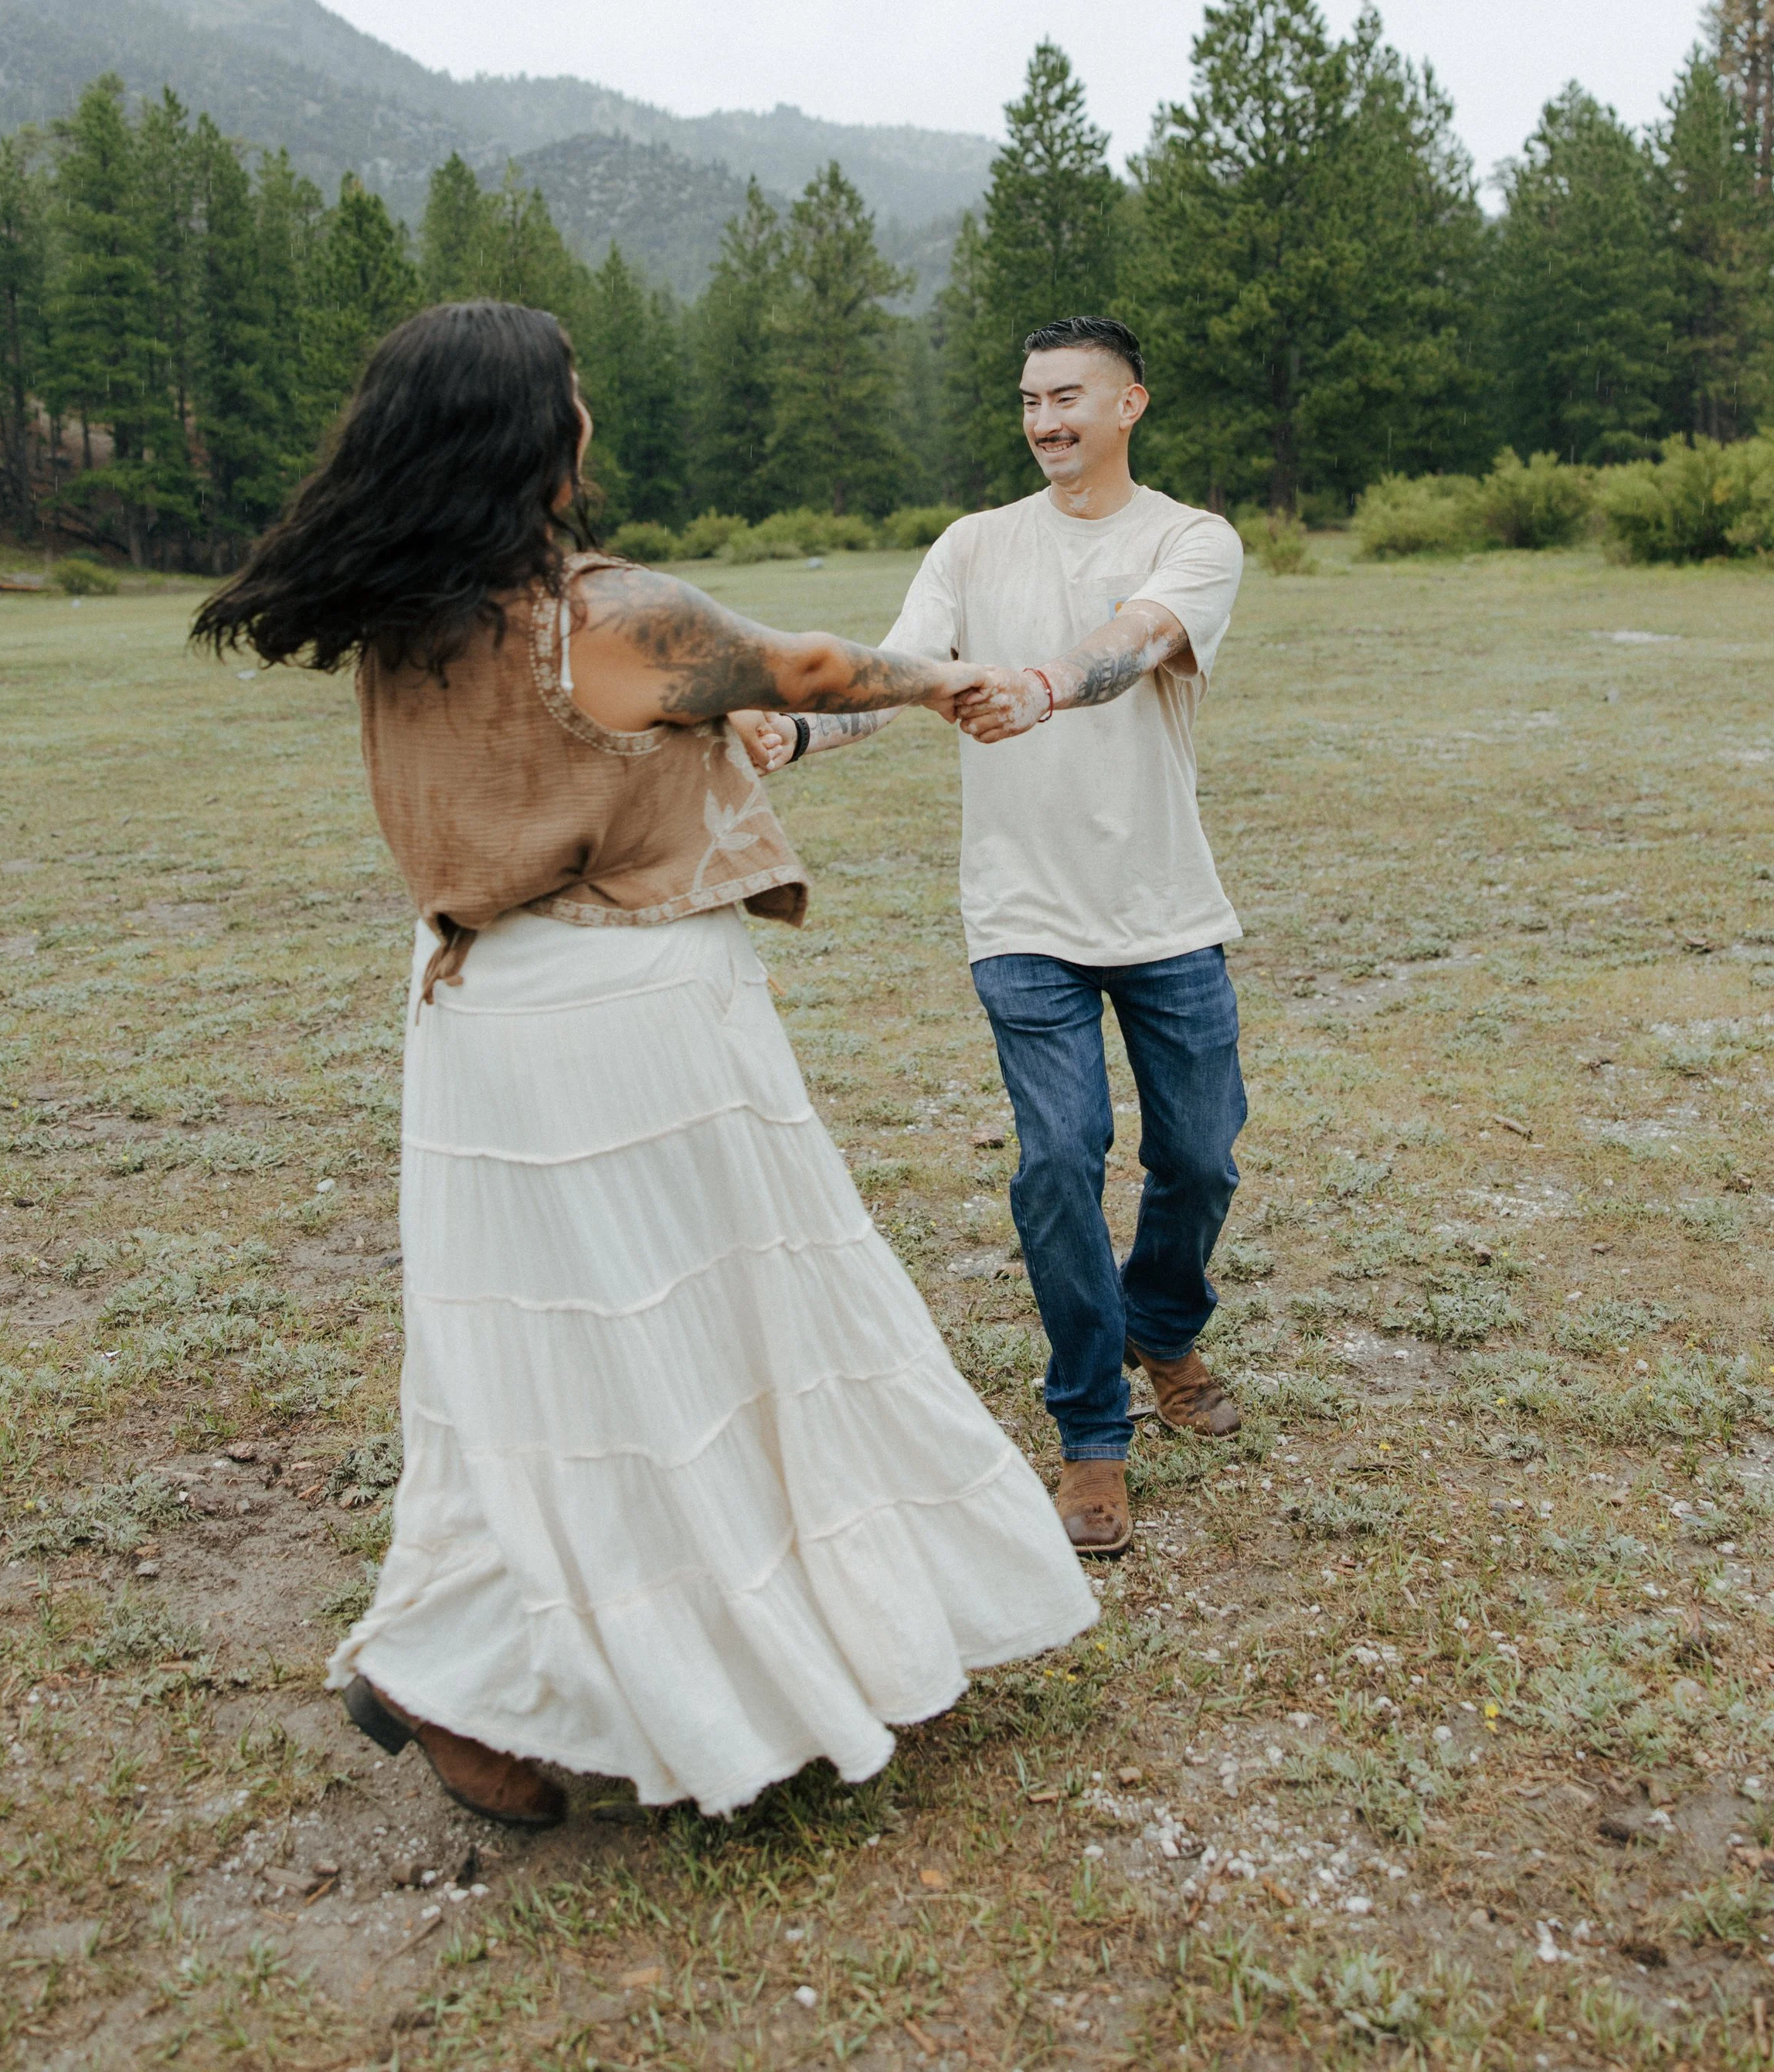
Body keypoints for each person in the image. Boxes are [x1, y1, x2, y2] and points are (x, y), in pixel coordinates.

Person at [191, 298, 1093, 1830]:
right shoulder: (591, 617)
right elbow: (797, 665)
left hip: (475, 1020)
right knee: (691, 1341)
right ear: (534, 435)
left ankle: (461, 1665)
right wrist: (943, 681)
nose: (588, 412)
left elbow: (730, 716)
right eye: (573, 393)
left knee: (527, 1366)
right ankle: (501, 1667)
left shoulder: (416, 608)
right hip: (621, 1021)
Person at [742, 315, 1246, 1560]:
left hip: (1165, 909)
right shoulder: (972, 544)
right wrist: (801, 733)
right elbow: (905, 668)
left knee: (1202, 1155)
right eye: (1028, 401)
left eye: (1067, 397)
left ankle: (1164, 1326)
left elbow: (1133, 643)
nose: (1044, 421)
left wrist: (1038, 685)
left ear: (1130, 402)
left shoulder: (1192, 538)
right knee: (1059, 1157)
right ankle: (1092, 1431)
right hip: (1021, 915)